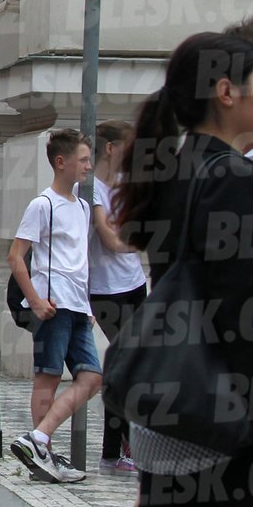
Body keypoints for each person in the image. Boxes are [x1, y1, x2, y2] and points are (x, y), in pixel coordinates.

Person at [114, 32, 253, 506]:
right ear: (226, 91)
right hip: (217, 426)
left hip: (174, 409)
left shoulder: (171, 166)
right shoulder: (231, 177)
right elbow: (237, 311)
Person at [8, 128, 99, 484]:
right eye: (83, 160)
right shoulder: (42, 204)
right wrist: (34, 300)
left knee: (91, 377)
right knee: (47, 379)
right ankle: (41, 457)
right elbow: (16, 257)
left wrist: (88, 305)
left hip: (77, 307)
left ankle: (38, 440)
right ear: (61, 163)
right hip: (54, 306)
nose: (88, 167)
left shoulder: (83, 207)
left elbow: (79, 260)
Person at [88, 120, 147, 476]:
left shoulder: (125, 184)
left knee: (137, 365)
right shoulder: (93, 189)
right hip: (105, 291)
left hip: (135, 283)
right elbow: (109, 239)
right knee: (124, 366)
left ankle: (123, 444)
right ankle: (115, 449)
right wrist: (136, 240)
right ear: (111, 148)